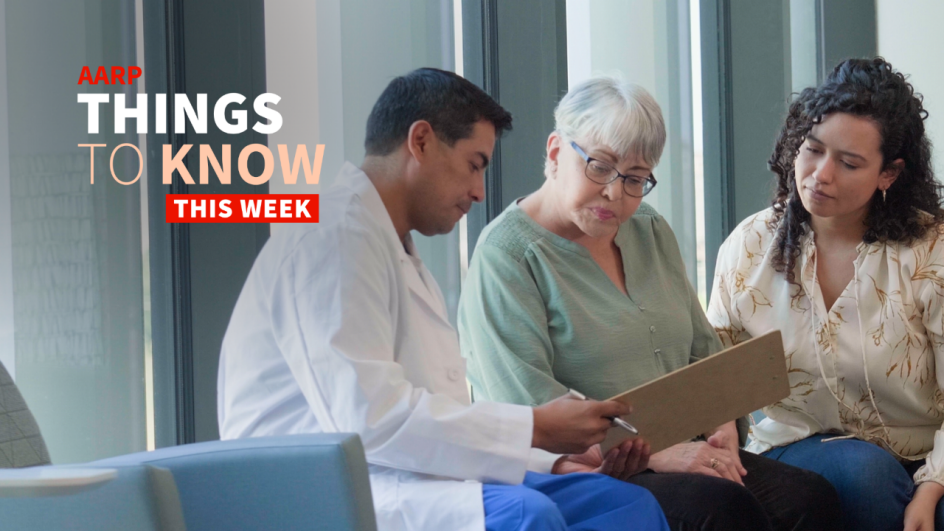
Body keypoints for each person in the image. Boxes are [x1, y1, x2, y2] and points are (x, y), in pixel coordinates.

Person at [217, 68, 669, 531]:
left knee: (621, 506)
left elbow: (436, 409)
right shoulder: (329, 239)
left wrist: (545, 457)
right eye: (474, 164)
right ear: (421, 141)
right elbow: (370, 421)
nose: (479, 190)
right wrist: (535, 428)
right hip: (327, 493)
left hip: (415, 476)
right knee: (528, 517)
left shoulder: (393, 249)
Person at [458, 76, 842, 531]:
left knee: (811, 500)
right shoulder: (507, 255)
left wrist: (722, 423)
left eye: (636, 179)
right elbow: (526, 407)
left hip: (689, 446)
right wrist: (658, 452)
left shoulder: (648, 227)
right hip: (597, 469)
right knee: (719, 510)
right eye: (599, 167)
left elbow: (702, 347)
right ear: (557, 151)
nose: (615, 195)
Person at [706, 57, 944, 531]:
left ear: (888, 174)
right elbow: (714, 376)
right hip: (802, 449)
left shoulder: (930, 253)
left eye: (849, 162)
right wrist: (717, 436)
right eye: (812, 150)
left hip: (928, 453)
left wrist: (931, 486)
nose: (820, 174)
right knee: (864, 475)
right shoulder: (750, 245)